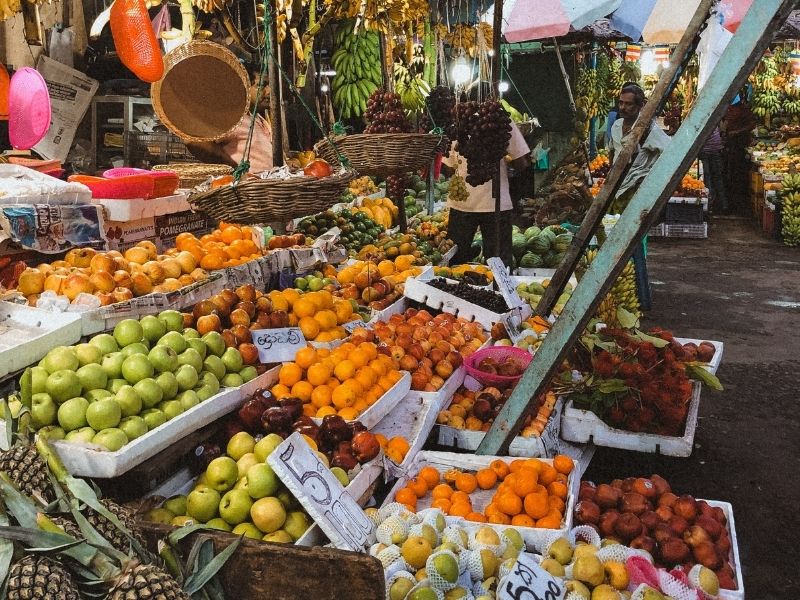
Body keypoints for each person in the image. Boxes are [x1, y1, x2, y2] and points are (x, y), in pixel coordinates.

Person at [607, 82, 670, 312]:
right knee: (615, 243)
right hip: (617, 193)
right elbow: (612, 154)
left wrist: (649, 178)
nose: (623, 108)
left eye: (628, 104)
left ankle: (641, 297)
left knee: (634, 246)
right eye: (620, 103)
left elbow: (670, 154)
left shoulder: (650, 131)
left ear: (641, 106)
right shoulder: (615, 127)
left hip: (637, 194)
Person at [443, 121, 531, 268]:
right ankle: (498, 289)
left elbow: (449, 168)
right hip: (496, 205)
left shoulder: (459, 122)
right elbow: (521, 163)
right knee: (500, 264)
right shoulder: (501, 121)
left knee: (455, 263)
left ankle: (455, 289)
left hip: (463, 204)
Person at [183, 80, 273, 173]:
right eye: (262, 85)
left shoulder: (258, 119)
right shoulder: (230, 118)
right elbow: (193, 140)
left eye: (269, 85)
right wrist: (232, 166)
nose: (268, 91)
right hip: (248, 185)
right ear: (245, 87)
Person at [721, 95, 756, 216]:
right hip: (730, 145)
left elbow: (752, 125)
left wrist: (737, 132)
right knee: (730, 173)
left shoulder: (743, 109)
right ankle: (732, 202)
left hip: (740, 145)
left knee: (739, 174)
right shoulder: (728, 108)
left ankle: (739, 203)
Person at [699, 126, 727, 214]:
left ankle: (712, 204)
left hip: (708, 151)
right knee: (714, 177)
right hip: (712, 150)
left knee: (709, 178)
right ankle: (718, 204)